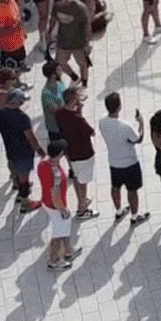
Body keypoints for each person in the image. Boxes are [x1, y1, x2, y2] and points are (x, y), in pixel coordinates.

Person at [99, 93, 151, 223]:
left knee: (115, 187)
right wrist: (141, 123)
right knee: (132, 190)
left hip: (113, 162)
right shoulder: (125, 126)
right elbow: (138, 139)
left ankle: (118, 211)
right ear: (119, 107)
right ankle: (134, 216)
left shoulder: (102, 121)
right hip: (130, 163)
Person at [55, 84, 100, 218]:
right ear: (73, 100)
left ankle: (81, 199)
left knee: (75, 176)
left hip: (70, 151)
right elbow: (91, 132)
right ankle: (82, 208)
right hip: (83, 153)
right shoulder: (77, 118)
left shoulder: (59, 113)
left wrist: (77, 111)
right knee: (83, 180)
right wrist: (79, 113)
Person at [0, 87, 44, 211]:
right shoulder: (22, 117)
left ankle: (20, 196)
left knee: (17, 174)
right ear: (16, 101)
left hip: (10, 150)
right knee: (24, 179)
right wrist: (38, 149)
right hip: (23, 152)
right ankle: (25, 203)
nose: (23, 103)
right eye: (21, 100)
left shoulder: (2, 113)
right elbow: (30, 136)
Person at [38, 139, 78, 269]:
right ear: (60, 153)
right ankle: (53, 260)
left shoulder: (43, 164)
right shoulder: (56, 174)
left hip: (46, 201)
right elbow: (55, 195)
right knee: (58, 234)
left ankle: (68, 250)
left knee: (64, 227)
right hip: (56, 206)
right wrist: (63, 209)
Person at [51, 0, 92, 85]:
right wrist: (50, 33)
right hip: (63, 41)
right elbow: (53, 19)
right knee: (60, 62)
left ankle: (84, 83)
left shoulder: (79, 7)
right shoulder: (56, 6)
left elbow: (87, 26)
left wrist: (87, 43)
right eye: (57, 2)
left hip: (79, 42)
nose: (59, 4)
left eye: (60, 1)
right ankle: (74, 76)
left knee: (83, 64)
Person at [39, 59, 68, 142]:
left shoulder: (58, 82)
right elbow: (56, 110)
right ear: (53, 75)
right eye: (59, 69)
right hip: (56, 128)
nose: (61, 70)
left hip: (64, 123)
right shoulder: (47, 93)